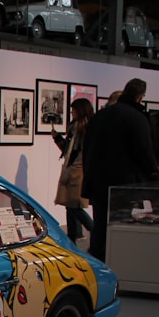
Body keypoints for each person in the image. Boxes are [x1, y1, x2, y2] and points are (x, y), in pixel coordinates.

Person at [81, 78, 159, 261]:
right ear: (141, 97)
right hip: (123, 186)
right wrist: (153, 172)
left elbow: (88, 150)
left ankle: (98, 264)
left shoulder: (100, 116)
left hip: (98, 184)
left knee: (100, 226)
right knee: (119, 227)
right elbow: (145, 152)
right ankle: (117, 263)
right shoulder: (137, 118)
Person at [51, 97, 95, 242]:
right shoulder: (75, 128)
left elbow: (82, 154)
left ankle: (92, 230)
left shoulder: (86, 130)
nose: (72, 113)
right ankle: (72, 237)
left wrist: (71, 172)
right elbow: (67, 149)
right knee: (69, 206)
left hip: (78, 173)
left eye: (73, 111)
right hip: (71, 169)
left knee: (74, 207)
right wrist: (57, 138)